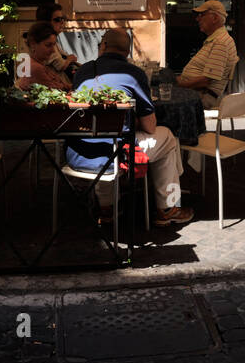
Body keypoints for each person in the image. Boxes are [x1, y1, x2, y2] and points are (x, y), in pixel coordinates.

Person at [71, 29, 193, 226]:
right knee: (169, 138)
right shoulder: (134, 73)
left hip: (80, 150)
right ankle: (168, 207)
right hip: (118, 153)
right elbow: (150, 126)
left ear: (102, 46)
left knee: (103, 135)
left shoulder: (83, 71)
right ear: (127, 52)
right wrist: (131, 121)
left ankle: (107, 207)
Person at [176, 0, 239, 110]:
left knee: (157, 99)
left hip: (202, 97)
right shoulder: (216, 39)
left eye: (202, 15)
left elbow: (205, 81)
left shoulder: (221, 42)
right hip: (195, 92)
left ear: (215, 18)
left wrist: (177, 85)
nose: (197, 19)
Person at [16, 20, 73, 91]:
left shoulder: (36, 64)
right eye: (48, 45)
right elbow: (58, 93)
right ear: (33, 44)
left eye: (54, 45)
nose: (53, 50)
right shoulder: (35, 68)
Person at [35, 3, 78, 77]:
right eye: (57, 19)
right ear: (46, 22)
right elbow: (60, 65)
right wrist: (70, 59)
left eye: (62, 19)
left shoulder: (51, 39)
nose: (62, 22)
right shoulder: (45, 41)